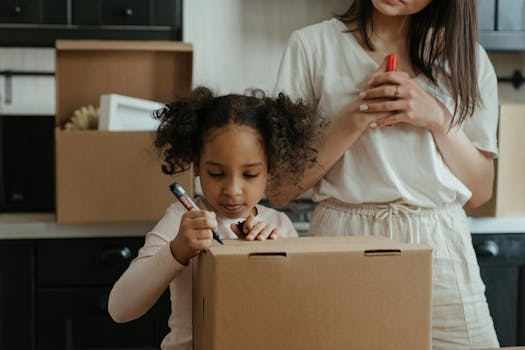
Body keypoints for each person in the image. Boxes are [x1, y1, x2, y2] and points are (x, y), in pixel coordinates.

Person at [269, 1, 499, 349]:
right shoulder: (312, 46)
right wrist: (357, 116)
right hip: (342, 243)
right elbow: (281, 187)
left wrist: (436, 117)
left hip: (441, 248)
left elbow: (480, 191)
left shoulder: (468, 58)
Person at [108, 86, 320, 349]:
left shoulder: (279, 226)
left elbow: (300, 315)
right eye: (217, 174)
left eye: (250, 174)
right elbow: (120, 308)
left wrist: (276, 255)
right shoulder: (181, 220)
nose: (232, 191)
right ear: (197, 165)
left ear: (271, 169)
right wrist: (175, 252)